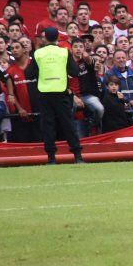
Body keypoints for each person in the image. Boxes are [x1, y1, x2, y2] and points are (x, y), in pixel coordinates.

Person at [26, 26, 83, 164]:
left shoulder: (38, 53)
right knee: (68, 124)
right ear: (58, 38)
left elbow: (29, 73)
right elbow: (75, 71)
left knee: (48, 126)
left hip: (44, 94)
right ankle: (77, 156)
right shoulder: (64, 52)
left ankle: (51, 158)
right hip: (61, 93)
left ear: (44, 38)